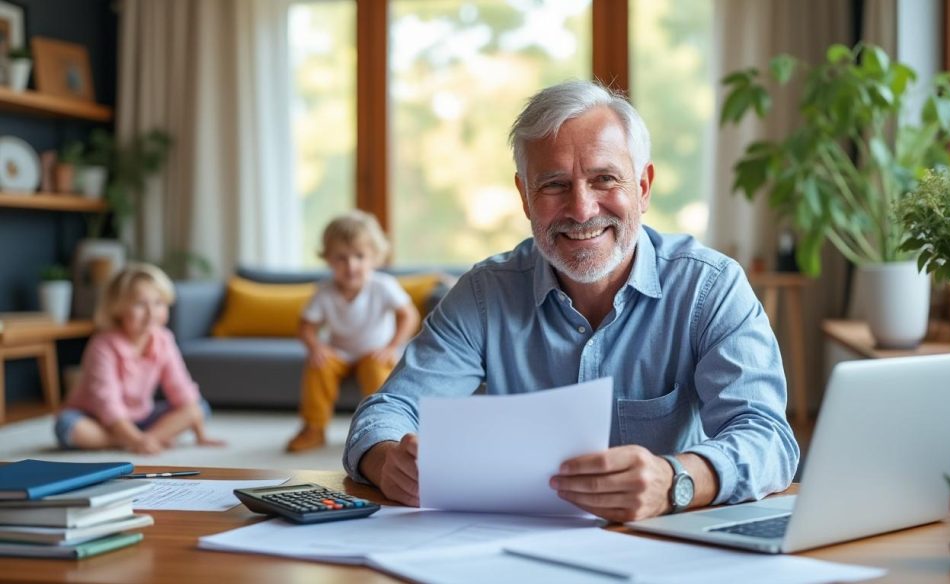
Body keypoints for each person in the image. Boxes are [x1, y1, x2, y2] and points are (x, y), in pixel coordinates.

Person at [343, 80, 799, 522]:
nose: (581, 210)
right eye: (555, 185)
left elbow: (768, 438)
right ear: (524, 196)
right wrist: (387, 462)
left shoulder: (710, 287)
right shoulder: (485, 294)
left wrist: (674, 479)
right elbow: (387, 411)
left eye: (605, 179)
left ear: (643, 186)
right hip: (515, 547)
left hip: (664, 545)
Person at [286, 211, 420, 452]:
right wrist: (316, 347)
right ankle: (313, 428)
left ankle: (382, 429)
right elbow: (306, 327)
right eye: (341, 258)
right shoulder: (324, 291)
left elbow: (408, 315)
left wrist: (392, 347)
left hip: (375, 352)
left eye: (359, 256)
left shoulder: (383, 286)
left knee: (377, 374)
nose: (351, 265)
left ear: (375, 257)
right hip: (339, 353)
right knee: (318, 366)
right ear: (327, 259)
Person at [55, 263, 223, 454]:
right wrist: (136, 439)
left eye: (158, 303)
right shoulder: (102, 345)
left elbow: (181, 387)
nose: (151, 313)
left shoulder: (164, 339)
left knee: (199, 408)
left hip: (142, 417)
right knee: (66, 425)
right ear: (117, 309)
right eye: (140, 304)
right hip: (98, 417)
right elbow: (106, 402)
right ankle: (133, 439)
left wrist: (200, 434)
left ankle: (137, 439)